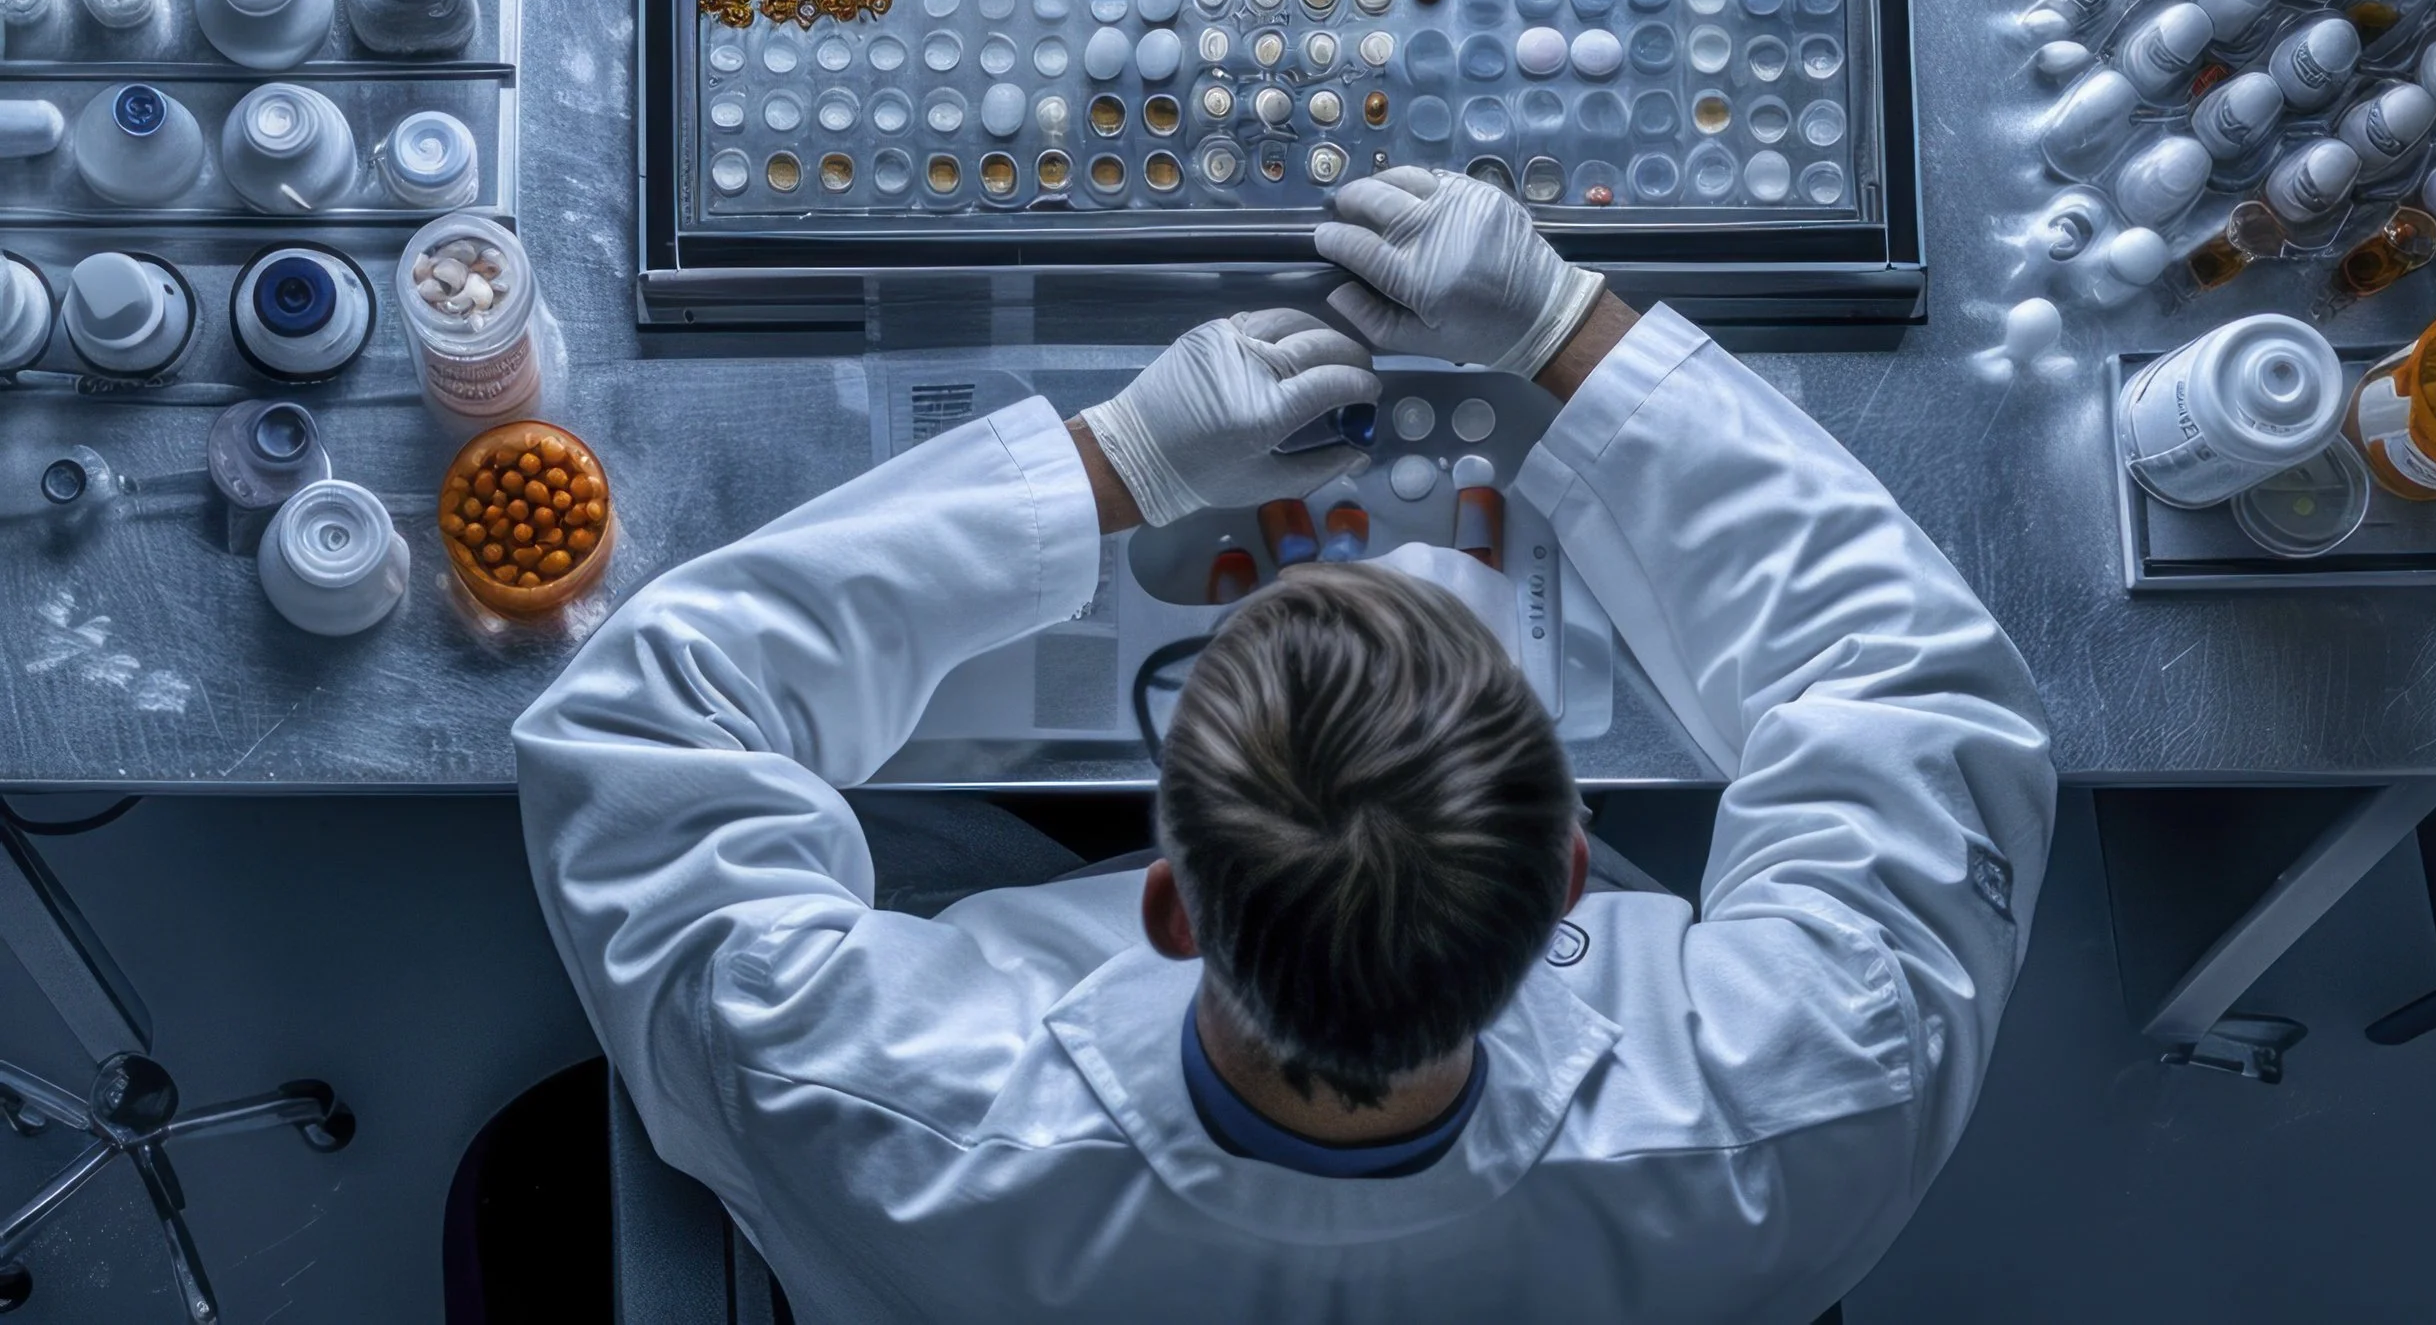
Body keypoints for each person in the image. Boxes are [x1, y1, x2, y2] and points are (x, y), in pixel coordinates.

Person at [515, 168, 2053, 1324]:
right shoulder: (1803, 1101)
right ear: (1571, 876)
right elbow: (1912, 690)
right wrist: (1558, 324)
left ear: (1168, 901)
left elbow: (639, 729)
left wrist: (1116, 463)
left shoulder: (885, 1101)